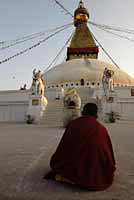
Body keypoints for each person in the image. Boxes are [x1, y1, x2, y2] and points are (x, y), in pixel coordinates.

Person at [44, 103, 116, 191]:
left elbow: (63, 147)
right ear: (96, 114)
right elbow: (108, 152)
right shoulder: (101, 128)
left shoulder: (74, 124)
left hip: (72, 166)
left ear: (83, 111)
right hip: (95, 170)